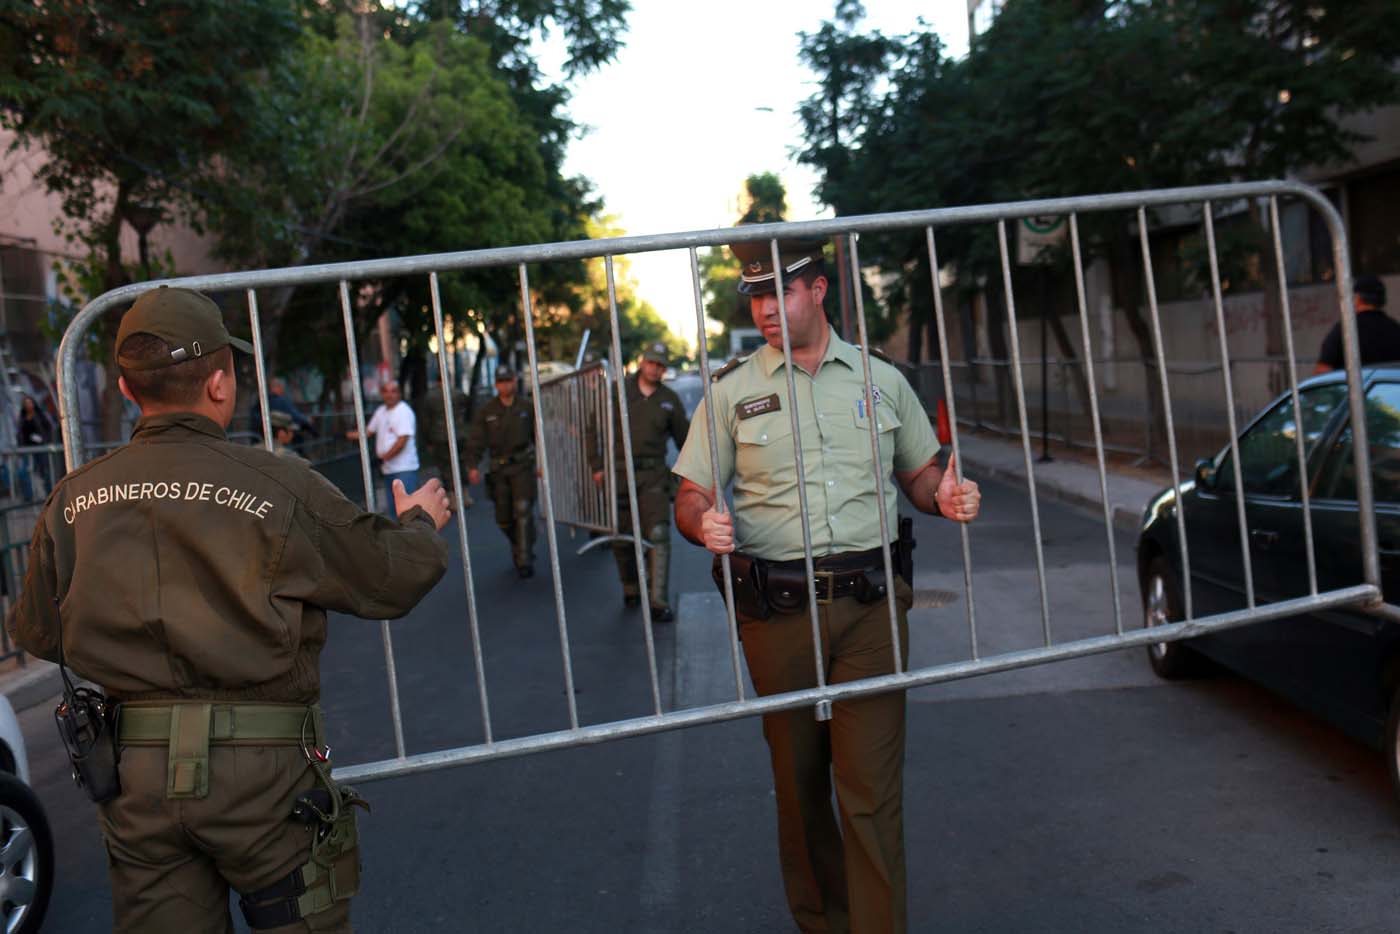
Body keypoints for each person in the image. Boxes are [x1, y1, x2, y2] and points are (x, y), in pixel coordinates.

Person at [4, 285, 452, 934]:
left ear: (128, 393)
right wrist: (420, 524)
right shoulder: (278, 485)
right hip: (264, 778)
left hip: (135, 778)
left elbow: (42, 632)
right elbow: (391, 577)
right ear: (220, 385)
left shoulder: (72, 500)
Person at [673, 238, 981, 934]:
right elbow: (690, 494)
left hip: (871, 610)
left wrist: (946, 494)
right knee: (802, 789)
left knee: (871, 794)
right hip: (776, 616)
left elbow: (921, 477)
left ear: (817, 290)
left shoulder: (881, 379)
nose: (764, 309)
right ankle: (824, 923)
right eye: (754, 296)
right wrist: (703, 524)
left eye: (777, 292)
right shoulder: (732, 391)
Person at [591, 341, 690, 621]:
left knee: (658, 533)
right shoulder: (617, 393)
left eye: (661, 365)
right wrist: (597, 466)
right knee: (623, 538)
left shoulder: (669, 399)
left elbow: (686, 441)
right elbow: (592, 427)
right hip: (619, 475)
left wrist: (697, 472)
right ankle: (631, 587)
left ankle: (658, 599)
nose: (656, 369)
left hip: (654, 476)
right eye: (651, 363)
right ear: (642, 362)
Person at [463, 366, 537, 578]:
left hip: (522, 465)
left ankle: (524, 559)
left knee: (522, 509)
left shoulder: (526, 406)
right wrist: (473, 466)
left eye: (509, 380)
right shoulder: (487, 411)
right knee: (503, 518)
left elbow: (538, 436)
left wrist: (541, 462)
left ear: (515, 381)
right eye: (501, 381)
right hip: (498, 469)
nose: (505, 385)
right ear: (496, 384)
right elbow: (476, 441)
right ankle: (523, 542)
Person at [346, 379, 420, 512]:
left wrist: (383, 458)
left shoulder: (403, 412)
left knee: (406, 513)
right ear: (382, 394)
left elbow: (401, 442)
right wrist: (346, 435)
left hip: (404, 469)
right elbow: (367, 432)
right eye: (386, 391)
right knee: (394, 511)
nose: (389, 395)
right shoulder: (381, 411)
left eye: (393, 391)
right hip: (389, 470)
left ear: (399, 394)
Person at [1315, 275, 1400, 373]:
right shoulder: (1395, 329)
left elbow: (1322, 371)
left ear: (1357, 298)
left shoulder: (1345, 330)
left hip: (1355, 388)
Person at [15, 393, 53, 498]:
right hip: (26, 449)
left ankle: (49, 493)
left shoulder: (40, 415)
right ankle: (28, 496)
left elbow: (49, 428)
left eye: (30, 402)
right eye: (26, 403)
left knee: (44, 471)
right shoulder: (22, 417)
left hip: (40, 448)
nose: (28, 405)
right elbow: (19, 433)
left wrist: (45, 440)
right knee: (24, 472)